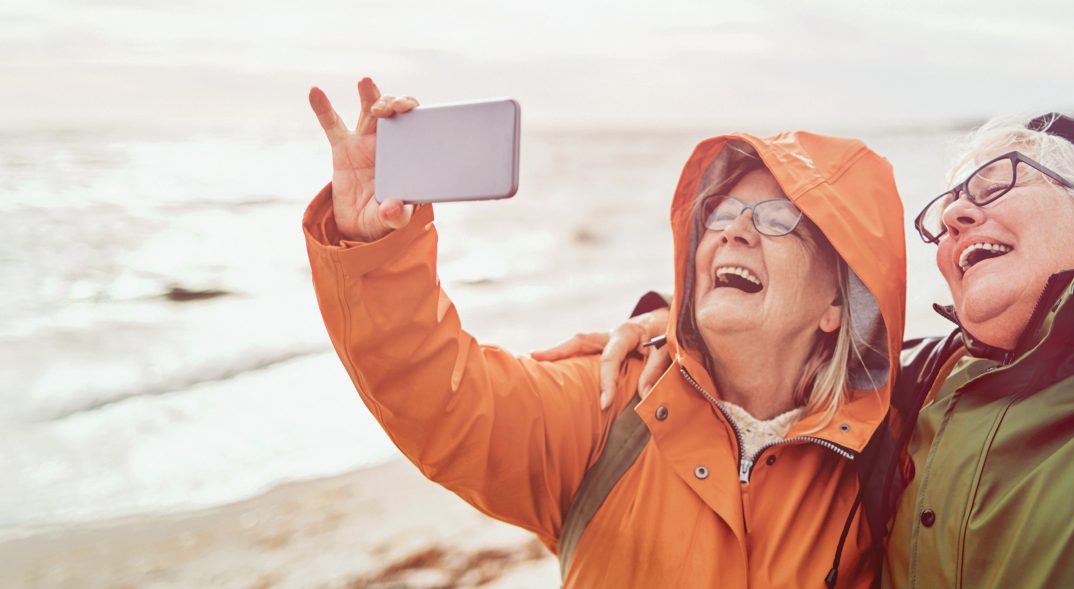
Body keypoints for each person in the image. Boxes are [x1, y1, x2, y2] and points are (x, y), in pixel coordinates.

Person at [565, 113, 1074, 586]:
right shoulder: (918, 380)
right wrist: (688, 324)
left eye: (996, 180)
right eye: (947, 212)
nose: (958, 215)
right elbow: (794, 355)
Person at [302, 78, 908, 586]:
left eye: (779, 220)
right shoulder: (611, 405)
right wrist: (373, 249)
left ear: (838, 302)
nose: (735, 232)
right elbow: (443, 399)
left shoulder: (888, 455)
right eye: (720, 215)